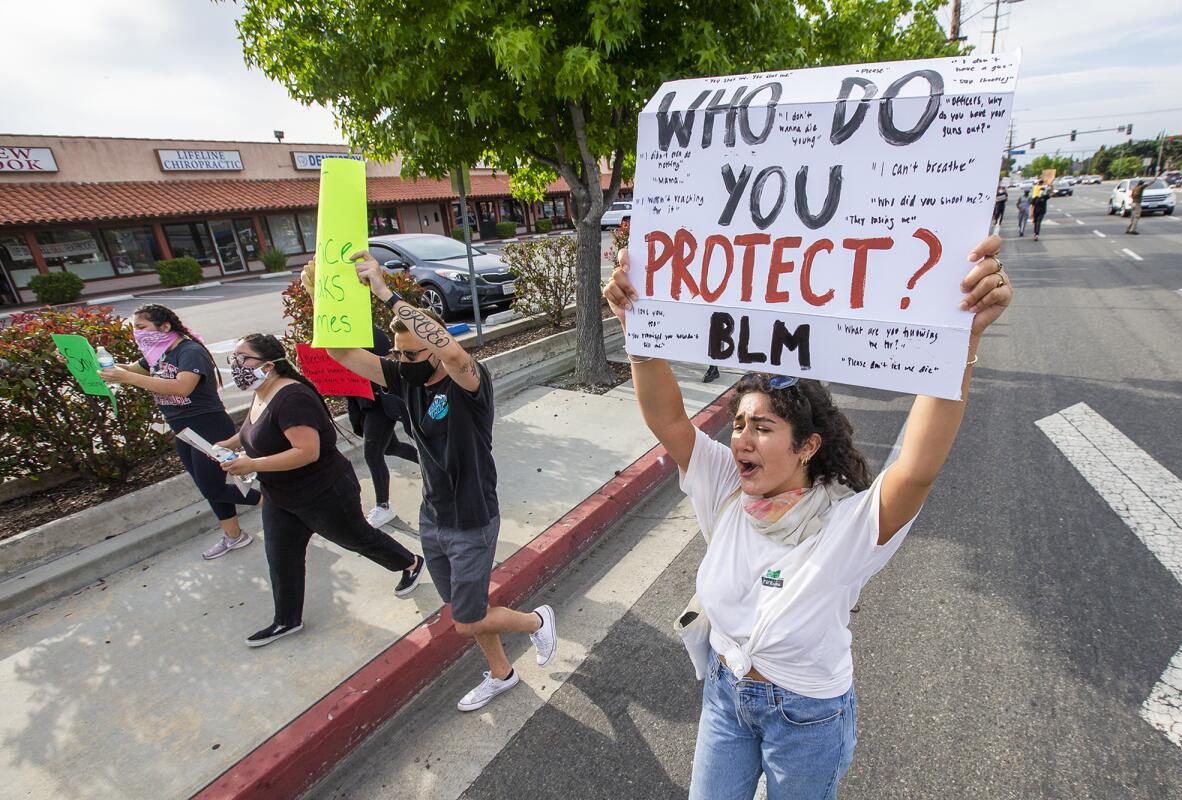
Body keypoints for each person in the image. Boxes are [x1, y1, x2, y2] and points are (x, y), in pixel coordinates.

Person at [603, 234, 1012, 799]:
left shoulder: (848, 523)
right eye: (739, 424)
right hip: (725, 696)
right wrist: (639, 333)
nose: (741, 438)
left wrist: (960, 343)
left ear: (807, 446)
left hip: (808, 719)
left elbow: (915, 469)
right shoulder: (726, 486)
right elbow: (670, 421)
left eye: (763, 427)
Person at [301, 255, 557, 711]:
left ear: (435, 349)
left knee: (466, 619)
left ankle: (537, 622)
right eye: (397, 353)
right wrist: (323, 298)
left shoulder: (468, 384)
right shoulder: (407, 377)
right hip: (433, 516)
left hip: (473, 519)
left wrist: (385, 292)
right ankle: (503, 673)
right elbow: (342, 354)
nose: (400, 360)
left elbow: (456, 353)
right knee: (468, 614)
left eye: (410, 352)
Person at [215, 333, 424, 648]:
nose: (235, 365)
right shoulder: (262, 392)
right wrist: (228, 445)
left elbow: (306, 451)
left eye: (242, 358)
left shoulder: (292, 398)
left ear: (268, 365)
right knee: (281, 556)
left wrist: (251, 465)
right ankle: (286, 619)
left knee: (359, 539)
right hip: (281, 496)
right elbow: (253, 428)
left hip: (323, 493)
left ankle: (410, 562)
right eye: (234, 358)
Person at [99, 304, 261, 560]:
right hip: (183, 431)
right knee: (209, 487)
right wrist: (94, 364)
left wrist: (128, 378)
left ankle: (278, 503)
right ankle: (234, 536)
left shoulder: (190, 351)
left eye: (142, 327)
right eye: (134, 329)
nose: (137, 334)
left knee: (214, 489)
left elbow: (182, 387)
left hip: (207, 427)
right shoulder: (157, 352)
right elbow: (130, 370)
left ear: (165, 327)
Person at [348, 326, 420, 528]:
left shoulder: (371, 333)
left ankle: (384, 506)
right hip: (364, 400)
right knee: (391, 447)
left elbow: (390, 363)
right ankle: (436, 466)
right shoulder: (341, 337)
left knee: (372, 453)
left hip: (380, 401)